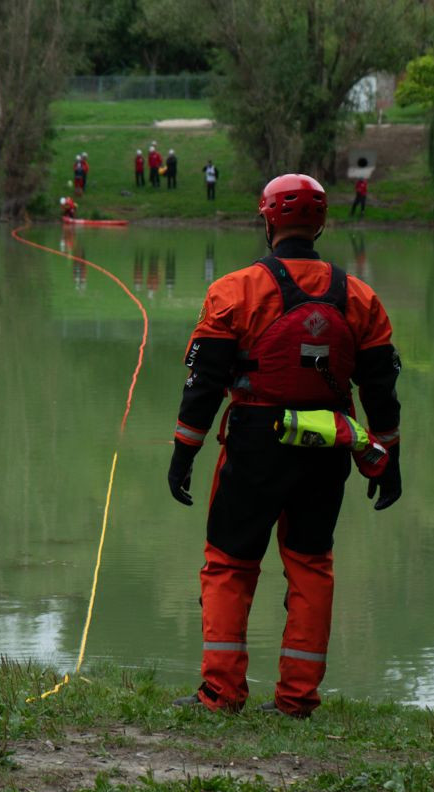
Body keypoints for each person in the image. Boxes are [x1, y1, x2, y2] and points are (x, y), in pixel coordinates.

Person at [166, 174, 402, 718]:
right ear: (321, 224)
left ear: (267, 220)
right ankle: (296, 700)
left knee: (229, 564)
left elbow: (203, 385)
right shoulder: (361, 297)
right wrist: (388, 461)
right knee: (311, 565)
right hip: (328, 446)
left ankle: (222, 693)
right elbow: (381, 391)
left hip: (255, 443)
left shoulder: (235, 291)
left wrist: (183, 453)